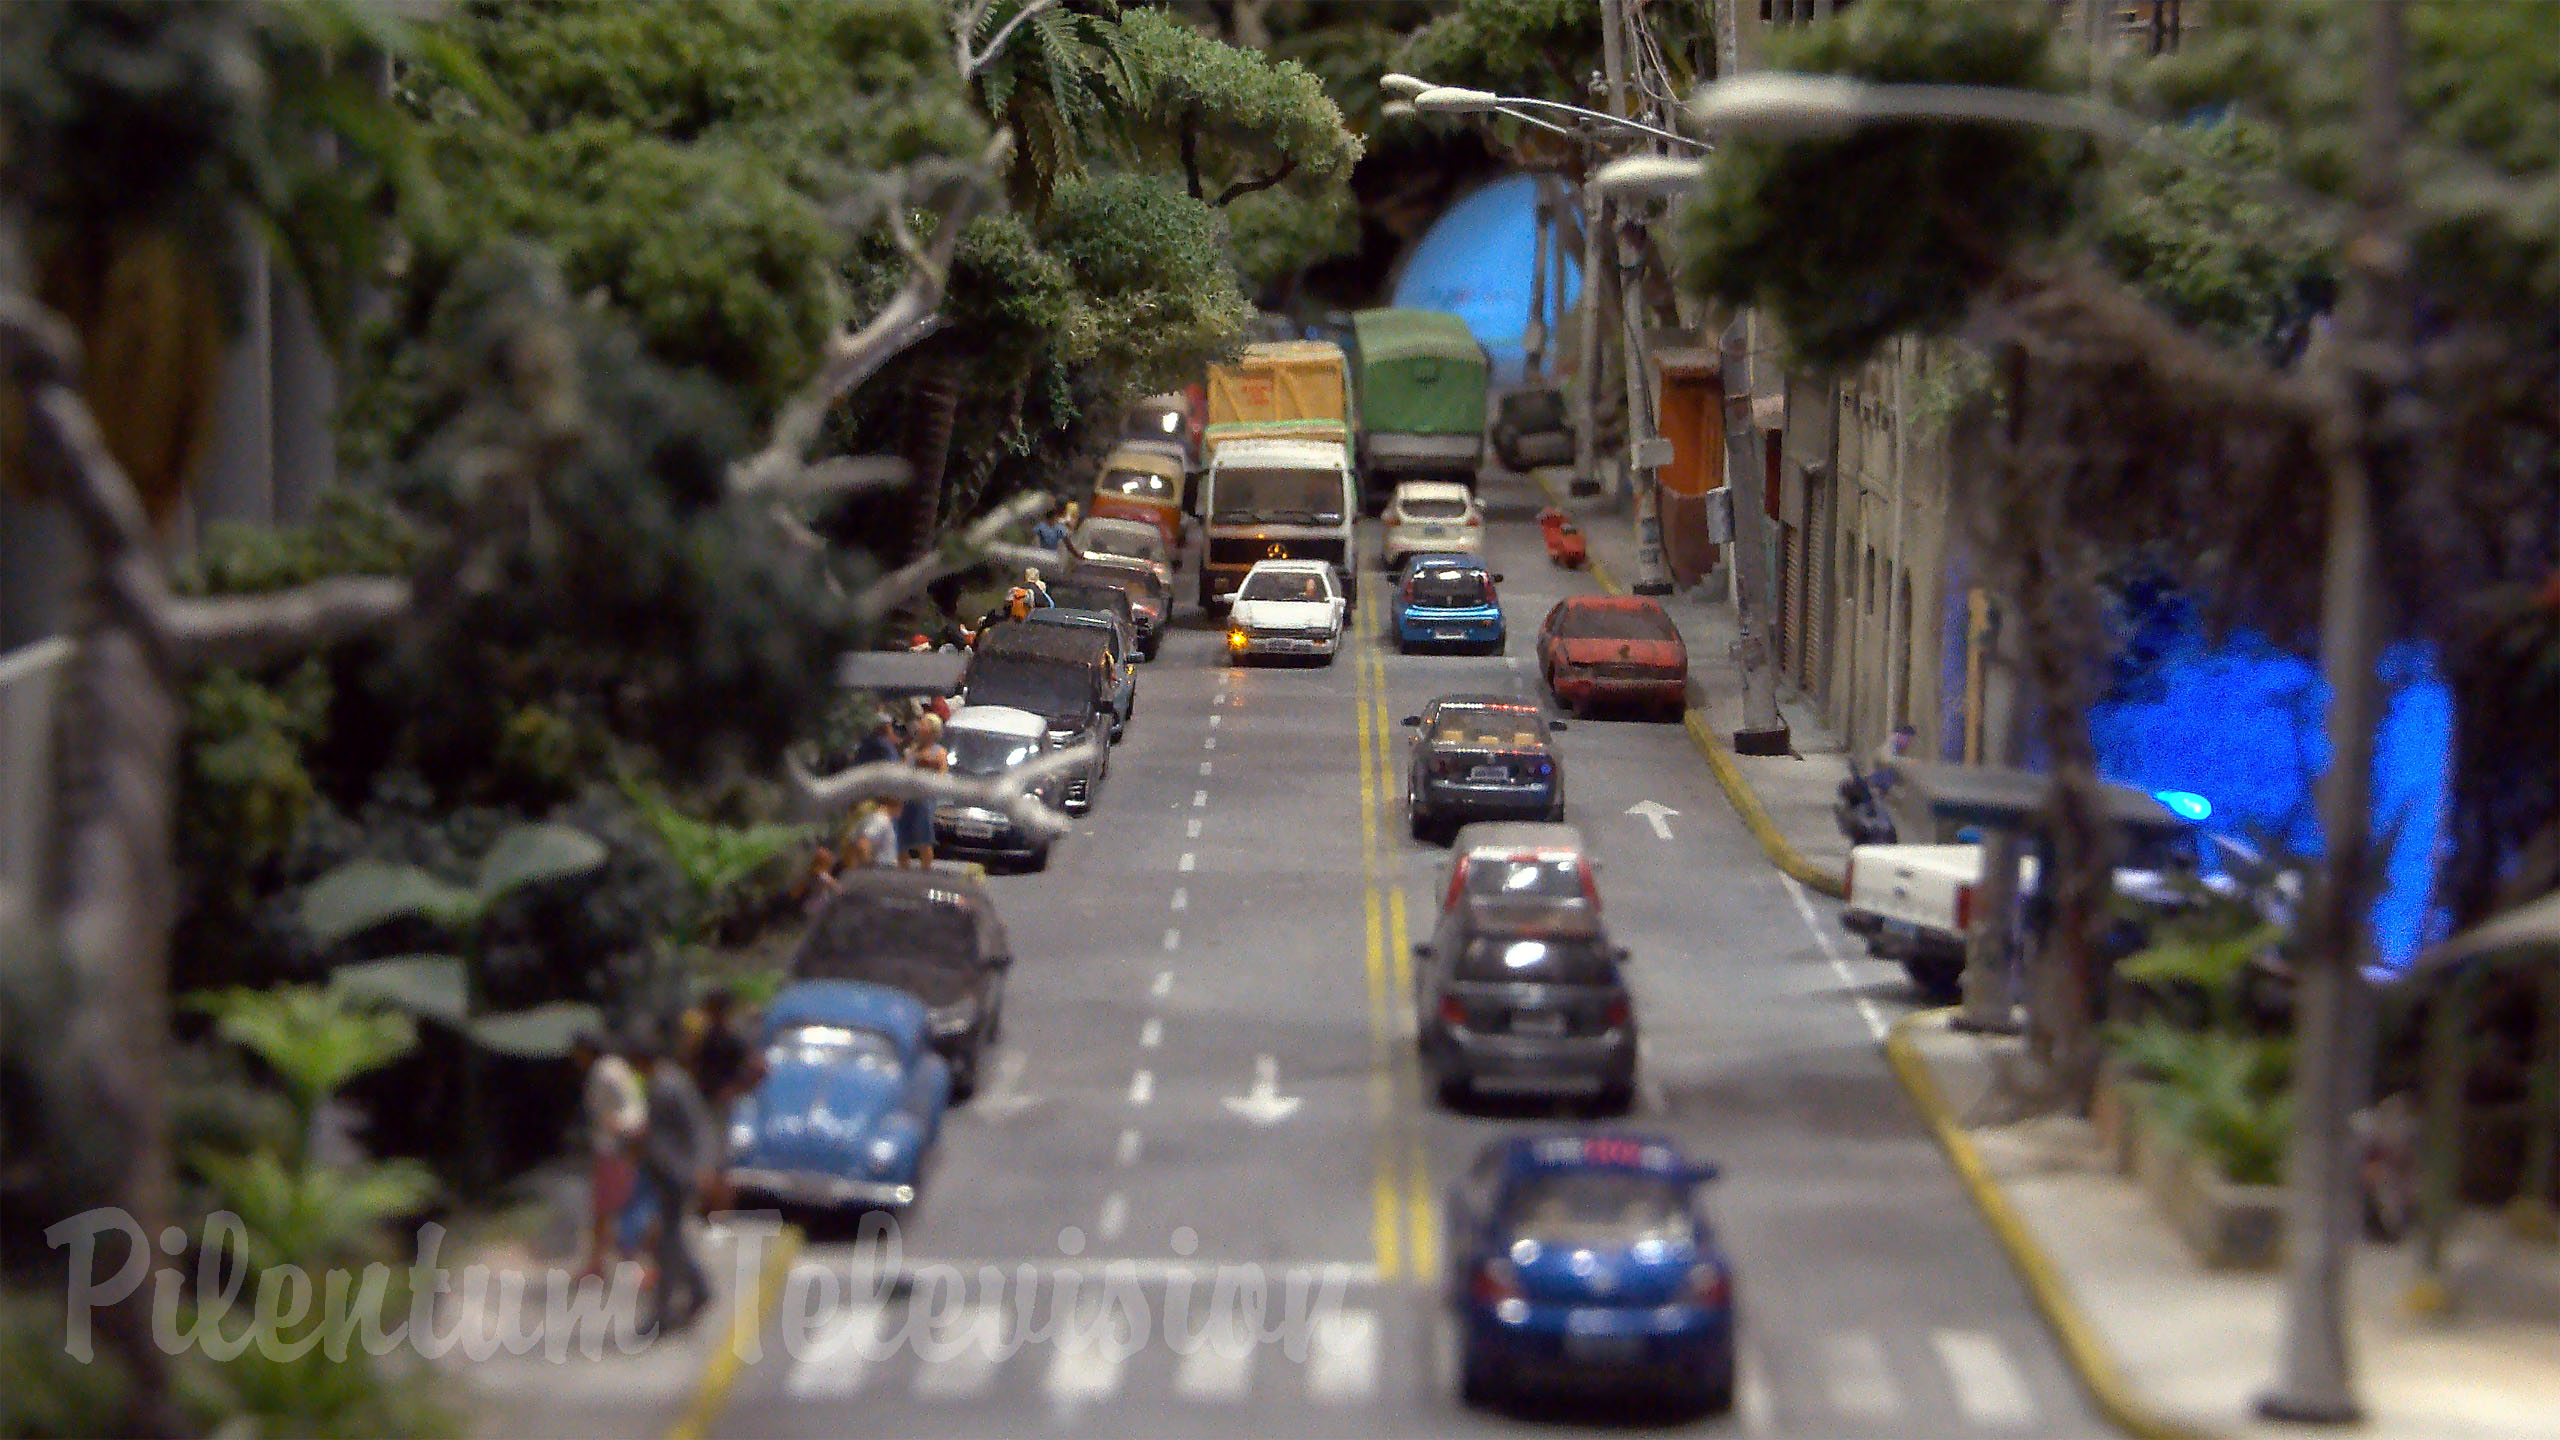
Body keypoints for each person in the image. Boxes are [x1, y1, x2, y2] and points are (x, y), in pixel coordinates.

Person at [633, 1033, 716, 1336]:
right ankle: (695, 1291)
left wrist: (703, 1168)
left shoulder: (669, 1085)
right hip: (667, 1172)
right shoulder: (663, 1082)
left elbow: (697, 1127)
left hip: (678, 1174)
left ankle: (664, 1313)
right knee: (670, 1241)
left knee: (668, 1243)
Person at [571, 1032, 646, 1283]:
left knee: (607, 1210)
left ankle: (599, 1264)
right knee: (624, 1206)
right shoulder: (618, 1066)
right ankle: (602, 1263)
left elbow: (607, 1113)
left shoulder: (601, 1074)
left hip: (613, 1148)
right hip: (628, 1145)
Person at [689, 992, 758, 1220]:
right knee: (712, 1156)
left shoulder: (728, 1039)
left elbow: (758, 1067)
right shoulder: (710, 1036)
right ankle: (712, 1207)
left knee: (714, 1157)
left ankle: (715, 1208)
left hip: (718, 1104)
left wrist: (736, 1089)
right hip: (706, 1101)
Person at [897, 713, 949, 868]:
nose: (919, 727)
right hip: (906, 799)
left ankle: (925, 873)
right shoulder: (912, 749)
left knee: (923, 841)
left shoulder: (939, 752)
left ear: (932, 731)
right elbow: (903, 769)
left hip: (924, 801)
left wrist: (930, 765)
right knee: (901, 841)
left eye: (923, 724)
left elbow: (942, 775)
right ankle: (903, 874)